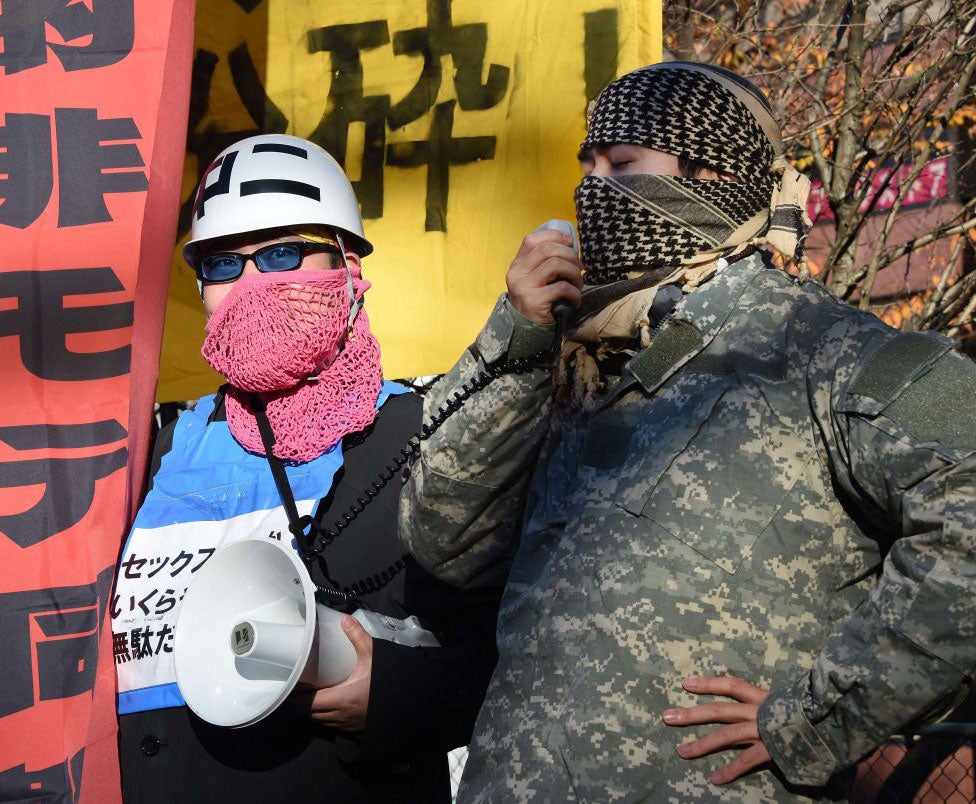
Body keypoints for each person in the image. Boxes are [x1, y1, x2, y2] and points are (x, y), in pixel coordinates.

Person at [398, 61, 976, 801]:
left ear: (710, 175)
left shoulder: (826, 343)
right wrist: (517, 339)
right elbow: (442, 541)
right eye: (589, 166)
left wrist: (814, 720)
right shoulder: (567, 356)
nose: (592, 190)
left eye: (623, 165)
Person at [114, 134, 500, 803]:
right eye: (222, 264)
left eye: (283, 253)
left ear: (348, 264)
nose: (252, 285)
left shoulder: (432, 437)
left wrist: (395, 694)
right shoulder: (155, 449)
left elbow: (525, 656)